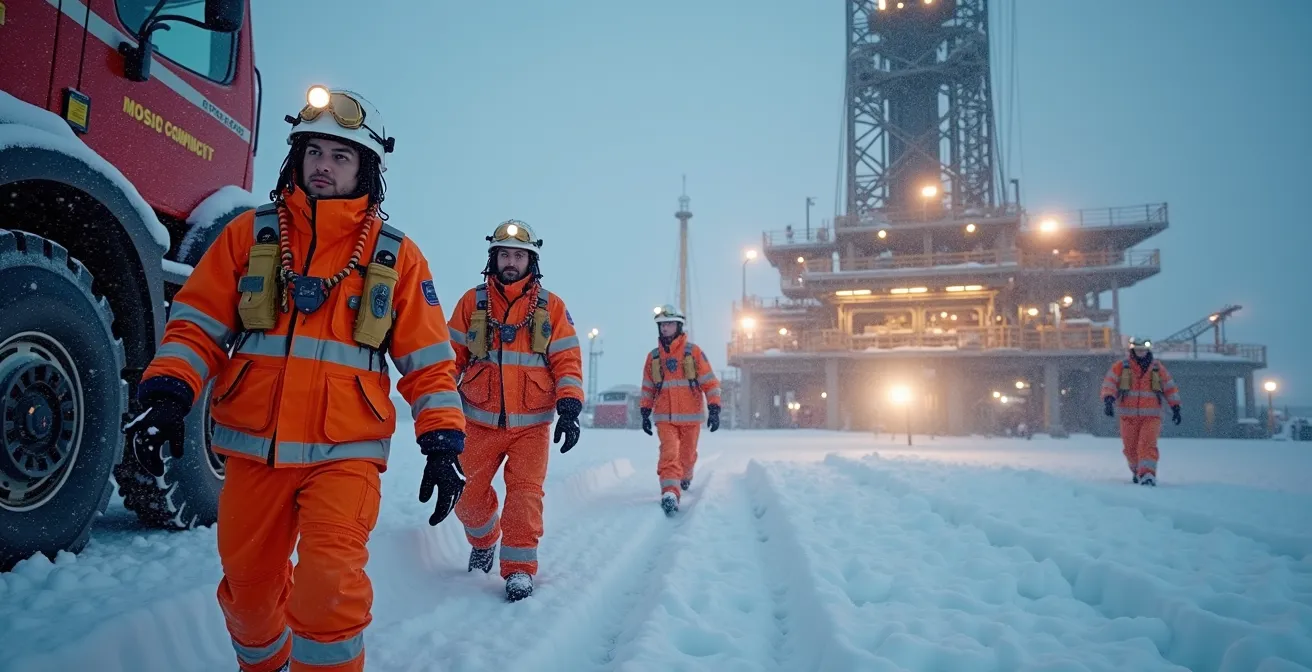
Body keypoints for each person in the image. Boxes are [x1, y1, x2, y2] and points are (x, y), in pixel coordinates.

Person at [122, 87, 467, 672]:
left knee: (328, 586)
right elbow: (196, 327)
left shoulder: (396, 256)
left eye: (341, 156)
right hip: (254, 451)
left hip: (346, 453)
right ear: (296, 157)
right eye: (314, 152)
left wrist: (441, 438)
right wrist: (168, 391)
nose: (323, 166)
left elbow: (430, 360)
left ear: (366, 168)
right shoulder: (250, 236)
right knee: (250, 595)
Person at [445, 220, 584, 601]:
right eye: (504, 253)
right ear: (494, 257)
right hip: (477, 420)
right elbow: (447, 360)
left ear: (531, 261)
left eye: (518, 255)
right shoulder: (471, 303)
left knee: (524, 495)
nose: (511, 261)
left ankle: (519, 569)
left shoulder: (551, 307)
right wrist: (440, 410)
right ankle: (485, 539)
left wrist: (569, 405)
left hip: (532, 426)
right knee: (466, 495)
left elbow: (567, 360)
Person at [639, 305, 721, 516]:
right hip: (664, 417)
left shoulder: (693, 352)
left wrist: (714, 407)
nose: (665, 328)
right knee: (669, 453)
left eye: (669, 324)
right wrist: (644, 412)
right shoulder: (654, 357)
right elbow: (648, 387)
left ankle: (684, 477)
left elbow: (709, 382)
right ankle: (669, 492)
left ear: (678, 326)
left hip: (691, 417)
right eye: (662, 325)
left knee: (686, 455)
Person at [1100, 336, 1181, 486]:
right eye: (1138, 350)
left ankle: (1148, 474)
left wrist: (1175, 407)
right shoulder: (1121, 367)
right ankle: (1137, 470)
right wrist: (1108, 400)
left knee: (1147, 445)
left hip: (1152, 416)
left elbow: (1170, 388)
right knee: (1130, 449)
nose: (1141, 352)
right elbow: (1109, 383)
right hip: (1128, 416)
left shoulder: (1157, 369)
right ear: (1132, 350)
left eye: (1143, 350)